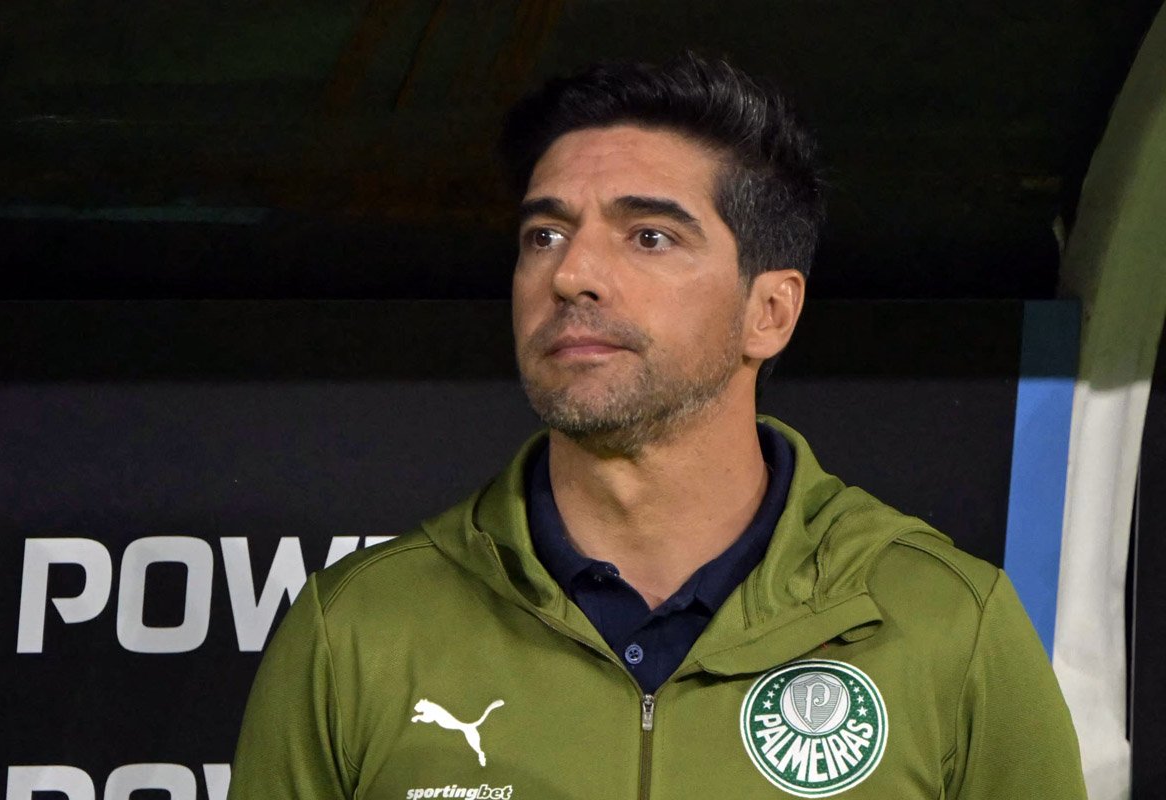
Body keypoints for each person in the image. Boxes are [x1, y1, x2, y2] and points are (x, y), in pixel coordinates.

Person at [229, 53, 1085, 799]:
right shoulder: (357, 628)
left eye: (648, 237)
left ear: (771, 311)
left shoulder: (945, 621)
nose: (572, 274)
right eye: (544, 234)